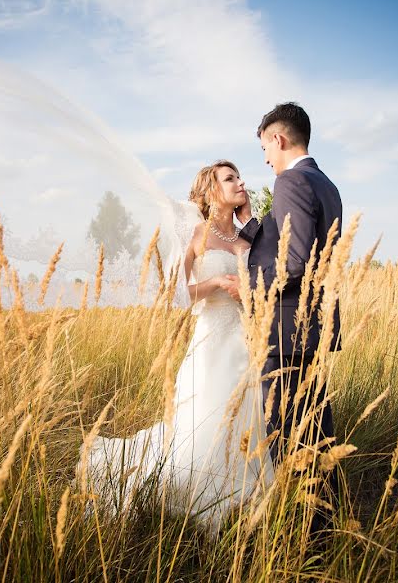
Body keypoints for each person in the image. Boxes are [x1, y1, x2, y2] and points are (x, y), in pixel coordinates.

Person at [85, 160, 274, 532]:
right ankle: (203, 491)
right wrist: (217, 284)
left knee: (247, 415)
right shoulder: (196, 233)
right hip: (209, 339)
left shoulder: (245, 240)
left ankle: (248, 491)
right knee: (208, 413)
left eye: (239, 176)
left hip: (244, 339)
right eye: (230, 178)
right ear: (211, 191)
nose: (241, 182)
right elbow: (174, 293)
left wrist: (250, 219)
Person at [227, 102, 343, 529]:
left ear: (278, 139)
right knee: (316, 434)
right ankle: (325, 524)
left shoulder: (290, 179)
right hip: (312, 327)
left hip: (286, 330)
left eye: (265, 149)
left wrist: (248, 287)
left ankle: (308, 535)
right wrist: (253, 225)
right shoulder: (323, 182)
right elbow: (299, 243)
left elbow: (293, 261)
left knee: (288, 436)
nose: (265, 160)